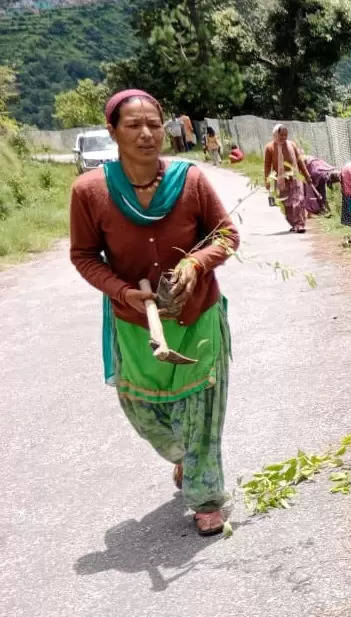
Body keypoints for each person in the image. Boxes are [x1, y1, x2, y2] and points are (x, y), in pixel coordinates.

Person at [68, 89, 240, 536]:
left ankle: (206, 498)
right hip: (135, 322)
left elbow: (225, 234)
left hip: (197, 314)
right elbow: (84, 255)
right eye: (133, 126)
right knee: (141, 408)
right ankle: (183, 457)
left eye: (154, 124)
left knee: (202, 408)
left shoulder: (191, 180)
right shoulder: (90, 191)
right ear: (113, 132)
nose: (146, 134)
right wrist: (121, 292)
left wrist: (194, 263)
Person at [262, 124, 313, 233]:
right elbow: (267, 166)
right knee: (287, 204)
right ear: (276, 134)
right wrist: (267, 180)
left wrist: (307, 175)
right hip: (281, 179)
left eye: (286, 135)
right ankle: (294, 223)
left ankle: (300, 224)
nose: (284, 137)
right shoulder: (270, 147)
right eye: (281, 135)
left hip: (295, 177)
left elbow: (299, 161)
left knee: (298, 200)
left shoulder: (292, 145)